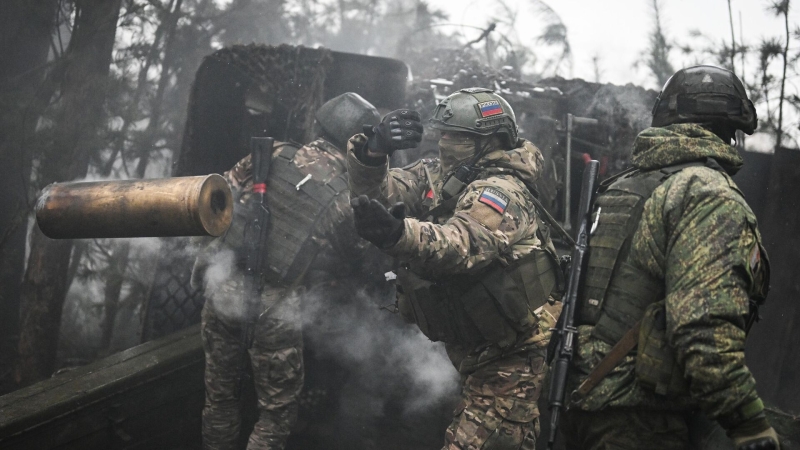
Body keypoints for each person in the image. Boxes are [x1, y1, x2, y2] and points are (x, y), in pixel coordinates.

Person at [561, 65, 777, 450]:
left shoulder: (623, 185)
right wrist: (749, 424)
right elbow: (703, 327)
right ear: (733, 129)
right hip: (642, 419)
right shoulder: (707, 194)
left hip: (580, 404)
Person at [347, 88, 563, 450]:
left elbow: (462, 244)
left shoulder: (502, 190)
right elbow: (384, 195)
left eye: (459, 137)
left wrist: (401, 233)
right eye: (443, 134)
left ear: (492, 141)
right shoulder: (441, 174)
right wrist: (373, 152)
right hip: (475, 346)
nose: (446, 143)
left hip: (514, 353)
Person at [192, 92, 379, 450]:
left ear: (319, 125)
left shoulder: (272, 153)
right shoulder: (346, 199)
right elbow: (356, 259)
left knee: (219, 399)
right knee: (275, 417)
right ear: (358, 145)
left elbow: (223, 196)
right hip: (275, 312)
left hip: (223, 290)